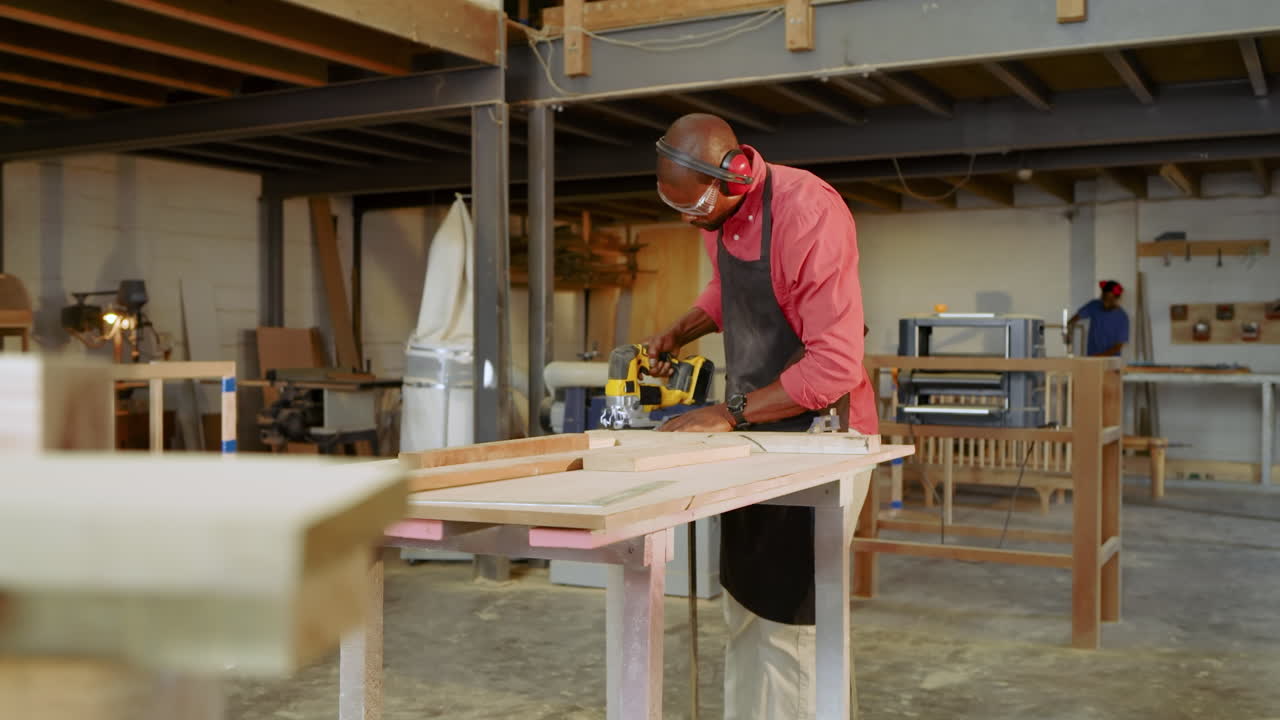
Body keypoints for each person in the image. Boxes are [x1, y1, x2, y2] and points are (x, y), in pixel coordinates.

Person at [642, 113, 877, 719]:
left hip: (823, 439)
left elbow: (834, 366)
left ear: (734, 173)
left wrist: (728, 410)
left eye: (697, 207)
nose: (693, 221)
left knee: (790, 623)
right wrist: (679, 331)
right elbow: (729, 290)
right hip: (755, 433)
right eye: (681, 211)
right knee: (747, 607)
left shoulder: (807, 212)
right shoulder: (715, 213)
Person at [1069, 280, 1129, 357]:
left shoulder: (1122, 317)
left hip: (1111, 362)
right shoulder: (1094, 305)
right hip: (1092, 358)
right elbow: (1078, 316)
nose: (1106, 303)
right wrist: (1068, 326)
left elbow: (1118, 346)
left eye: (1110, 300)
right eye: (1105, 298)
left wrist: (1099, 357)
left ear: (1117, 298)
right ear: (1102, 296)